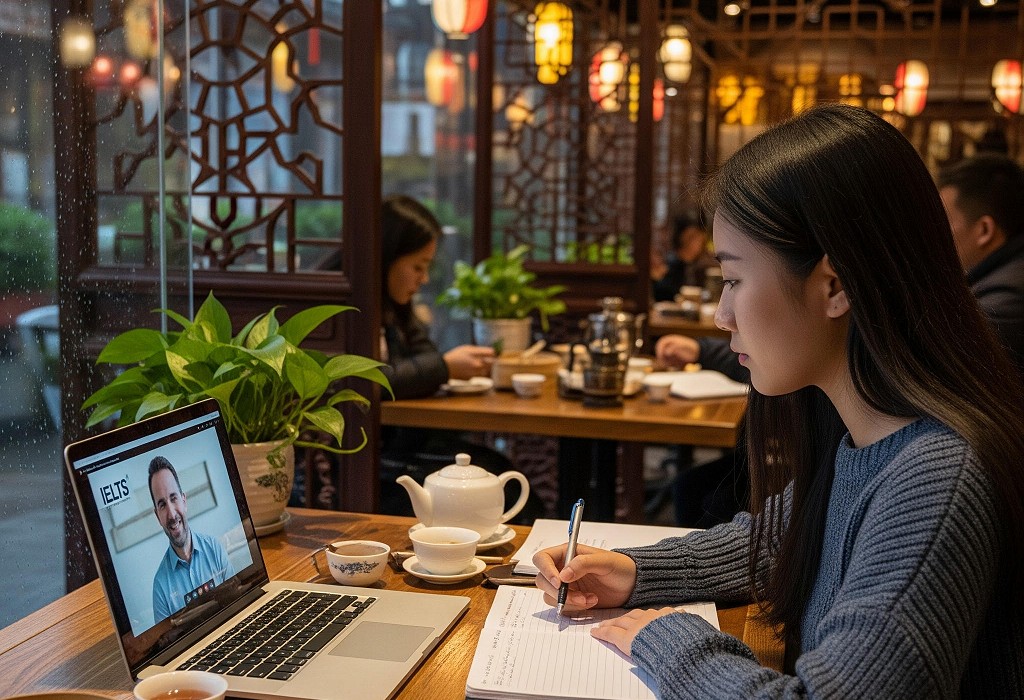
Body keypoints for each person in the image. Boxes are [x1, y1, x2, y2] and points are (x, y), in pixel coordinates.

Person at [533, 104, 1024, 697]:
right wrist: (636, 571)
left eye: (734, 279)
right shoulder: (869, 436)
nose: (720, 315)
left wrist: (669, 639)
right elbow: (776, 542)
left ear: (835, 285)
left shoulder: (937, 476)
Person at [377, 195, 541, 522]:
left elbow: (423, 352)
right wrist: (446, 367)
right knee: (502, 482)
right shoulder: (348, 304)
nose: (423, 279)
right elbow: (372, 381)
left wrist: (444, 365)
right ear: (385, 257)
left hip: (402, 439)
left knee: (499, 470)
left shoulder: (392, 304)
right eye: (417, 266)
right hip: (367, 460)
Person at [937, 153, 1024, 372]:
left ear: (984, 230)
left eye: (943, 222)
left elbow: (937, 367)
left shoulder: (1005, 302)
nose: (934, 232)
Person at [150, 456, 233, 621]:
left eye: (173, 498)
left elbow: (237, 600)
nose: (172, 514)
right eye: (162, 504)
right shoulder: (160, 586)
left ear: (184, 501)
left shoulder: (214, 548)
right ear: (157, 516)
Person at [651, 214, 717, 302]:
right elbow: (663, 292)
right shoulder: (673, 263)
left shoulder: (693, 264)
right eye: (695, 237)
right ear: (684, 238)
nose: (700, 242)